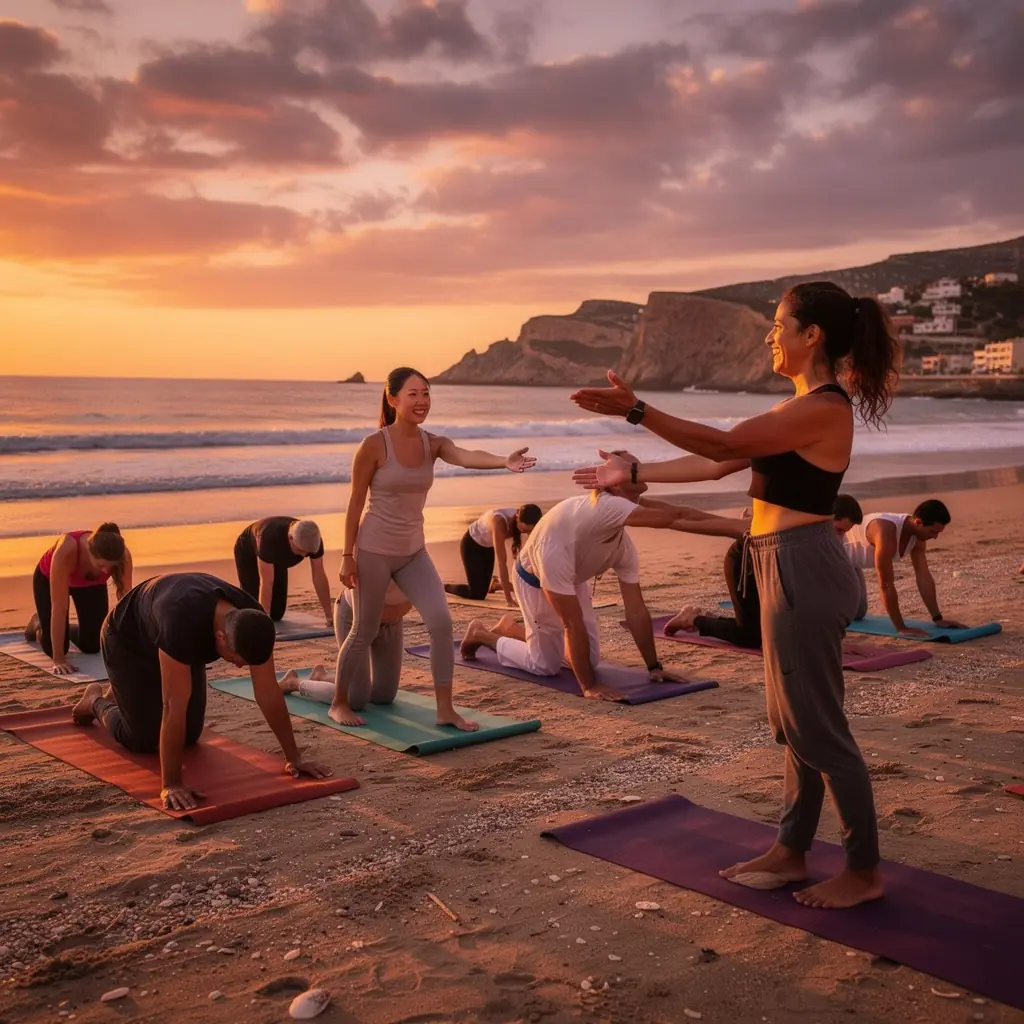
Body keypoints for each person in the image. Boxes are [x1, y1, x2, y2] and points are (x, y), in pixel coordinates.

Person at [570, 280, 899, 909]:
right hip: (777, 563)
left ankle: (864, 869)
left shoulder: (825, 408)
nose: (771, 335)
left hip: (804, 566)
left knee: (820, 729)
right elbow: (717, 464)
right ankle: (792, 848)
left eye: (779, 325)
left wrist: (638, 413)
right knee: (792, 721)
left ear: (813, 336)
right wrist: (631, 472)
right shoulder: (793, 409)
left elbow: (721, 446)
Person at [333, 366, 536, 730]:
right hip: (373, 550)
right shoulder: (373, 445)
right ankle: (339, 702)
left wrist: (502, 461)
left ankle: (445, 709)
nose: (422, 401)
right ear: (393, 399)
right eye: (413, 394)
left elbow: (467, 455)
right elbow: (353, 503)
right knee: (363, 630)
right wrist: (348, 555)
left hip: (413, 551)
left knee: (441, 622)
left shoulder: (434, 444)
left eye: (426, 393)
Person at [459, 454, 740, 700]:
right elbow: (572, 623)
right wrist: (589, 686)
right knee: (546, 666)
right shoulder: (608, 504)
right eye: (630, 466)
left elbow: (636, 611)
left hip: (573, 573)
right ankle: (482, 635)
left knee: (587, 659)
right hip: (535, 576)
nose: (637, 469)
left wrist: (654, 667)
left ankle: (511, 628)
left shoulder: (620, 541)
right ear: (616, 482)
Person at [71, 572, 331, 812]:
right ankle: (94, 700)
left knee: (189, 735)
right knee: (142, 739)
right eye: (237, 659)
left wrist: (293, 756)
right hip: (128, 639)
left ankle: (125, 693)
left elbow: (267, 693)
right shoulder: (180, 623)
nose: (240, 665)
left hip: (171, 630)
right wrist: (171, 783)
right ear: (220, 638)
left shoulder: (252, 622)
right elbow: (173, 705)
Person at [666, 495, 864, 648]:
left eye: (844, 532)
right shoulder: (801, 531)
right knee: (751, 637)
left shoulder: (820, 538)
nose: (839, 538)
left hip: (769, 567)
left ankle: (708, 617)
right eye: (838, 530)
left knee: (770, 628)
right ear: (827, 518)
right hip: (744, 565)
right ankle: (692, 619)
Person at [279, 582, 412, 709]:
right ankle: (293, 682)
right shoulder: (368, 559)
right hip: (355, 617)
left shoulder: (417, 562)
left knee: (383, 696)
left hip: (391, 622)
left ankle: (321, 676)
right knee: (355, 699)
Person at [843, 499, 966, 635]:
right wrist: (901, 628)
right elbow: (885, 583)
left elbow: (923, 576)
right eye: (933, 531)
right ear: (918, 522)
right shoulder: (885, 531)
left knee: (858, 613)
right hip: (831, 559)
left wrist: (938, 619)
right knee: (834, 614)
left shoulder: (918, 536)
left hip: (852, 564)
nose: (935, 537)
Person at [25, 524, 133, 676]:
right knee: (57, 648)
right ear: (89, 553)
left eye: (111, 567)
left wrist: (128, 648)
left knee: (93, 645)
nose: (106, 571)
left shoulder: (122, 556)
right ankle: (39, 624)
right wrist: (59, 660)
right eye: (101, 565)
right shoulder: (67, 550)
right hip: (49, 578)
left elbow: (125, 603)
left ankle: (58, 627)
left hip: (89, 584)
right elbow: (59, 609)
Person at [234, 517, 332, 626]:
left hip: (278, 556)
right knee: (252, 610)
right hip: (248, 551)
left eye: (307, 553)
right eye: (300, 550)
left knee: (276, 614)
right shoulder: (269, 538)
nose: (304, 555)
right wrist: (265, 624)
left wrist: (329, 615)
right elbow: (267, 583)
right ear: (290, 538)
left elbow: (319, 576)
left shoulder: (313, 539)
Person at [444, 504, 543, 604]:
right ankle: (444, 587)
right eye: (524, 530)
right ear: (518, 519)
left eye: (528, 531)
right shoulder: (499, 523)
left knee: (483, 588)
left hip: (487, 547)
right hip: (471, 545)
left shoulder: (526, 515)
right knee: (477, 594)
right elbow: (502, 563)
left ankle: (495, 585)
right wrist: (509, 600)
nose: (526, 533)